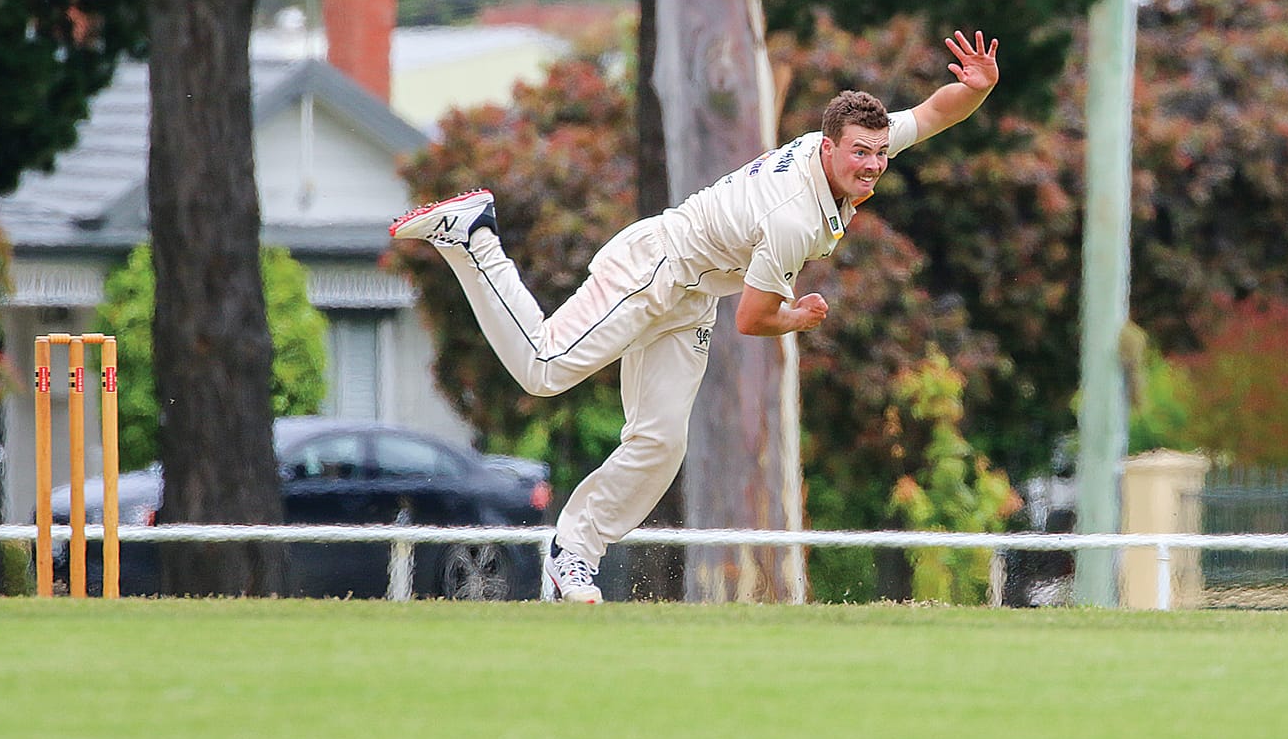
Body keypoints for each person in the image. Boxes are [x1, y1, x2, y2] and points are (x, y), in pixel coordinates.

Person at [391, 29, 1001, 602]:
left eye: (879, 154)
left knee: (660, 442)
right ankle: (473, 237)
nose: (871, 165)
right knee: (544, 367)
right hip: (656, 268)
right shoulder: (793, 217)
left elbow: (931, 114)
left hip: (691, 296)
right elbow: (753, 320)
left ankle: (572, 552)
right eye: (860, 154)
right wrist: (796, 318)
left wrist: (978, 89)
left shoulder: (849, 149)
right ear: (827, 147)